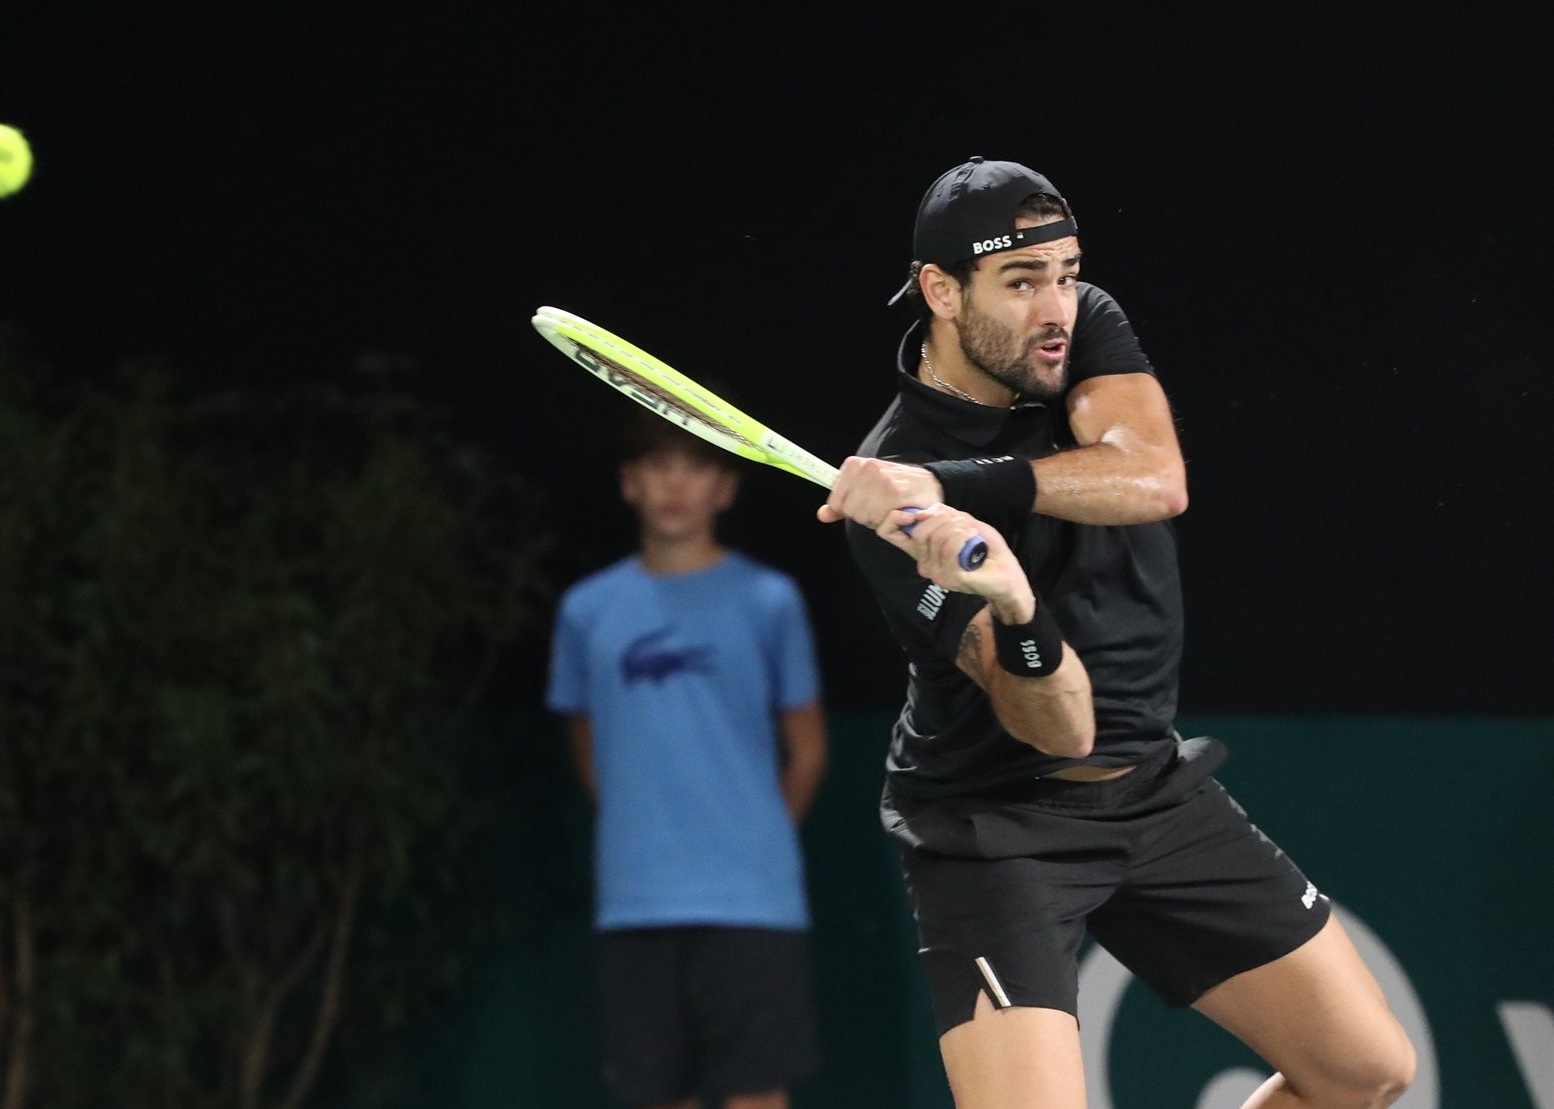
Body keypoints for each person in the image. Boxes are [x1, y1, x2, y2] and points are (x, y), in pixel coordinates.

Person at [819, 156, 1416, 1108]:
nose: (1056, 304)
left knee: (1365, 1073)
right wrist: (1012, 602)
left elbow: (1154, 479)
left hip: (1151, 789)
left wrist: (965, 486)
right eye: (1020, 283)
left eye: (1065, 270)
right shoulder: (886, 501)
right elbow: (1060, 730)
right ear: (939, 290)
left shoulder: (1076, 330)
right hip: (997, 827)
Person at [546, 403, 828, 1109]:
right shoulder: (586, 611)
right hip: (635, 899)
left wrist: (751, 838)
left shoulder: (770, 601)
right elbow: (588, 743)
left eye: (696, 466)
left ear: (725, 488)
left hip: (752, 901)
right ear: (629, 482)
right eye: (657, 466)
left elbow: (810, 749)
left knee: (756, 1093)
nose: (675, 485)